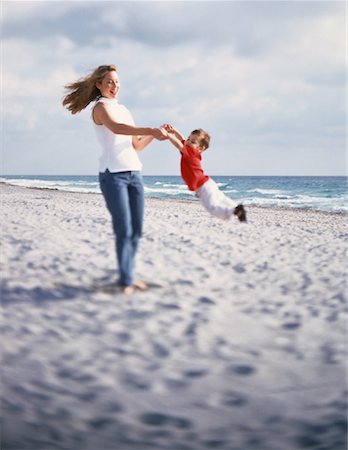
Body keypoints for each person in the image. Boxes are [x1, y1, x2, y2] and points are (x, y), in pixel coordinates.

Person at [62, 64, 168, 294]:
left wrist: (154, 133)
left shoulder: (124, 109)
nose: (114, 86)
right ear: (99, 84)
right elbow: (117, 129)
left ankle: (128, 275)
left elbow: (136, 145)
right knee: (123, 229)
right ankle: (126, 280)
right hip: (113, 176)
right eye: (109, 81)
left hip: (134, 173)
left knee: (137, 230)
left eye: (117, 82)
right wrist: (150, 128)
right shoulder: (100, 108)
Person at [162, 125, 247, 222]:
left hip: (203, 187)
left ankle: (234, 211)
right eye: (189, 139)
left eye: (193, 142)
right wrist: (175, 131)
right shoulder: (190, 149)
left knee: (212, 208)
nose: (188, 142)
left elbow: (179, 145)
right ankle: (236, 207)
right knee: (222, 199)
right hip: (208, 183)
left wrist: (168, 135)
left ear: (200, 148)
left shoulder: (191, 152)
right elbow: (182, 140)